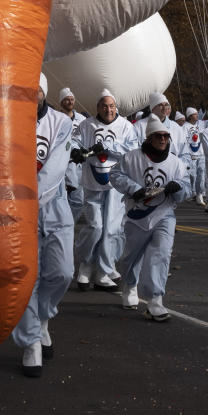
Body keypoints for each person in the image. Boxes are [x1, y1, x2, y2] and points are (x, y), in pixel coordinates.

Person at [12, 73, 75, 377]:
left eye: (36, 90)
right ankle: (31, 342)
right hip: (17, 213)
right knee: (27, 277)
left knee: (63, 272)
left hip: (54, 208)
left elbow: (54, 169)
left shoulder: (62, 123)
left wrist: (30, 200)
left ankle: (43, 318)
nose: (32, 94)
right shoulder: (8, 121)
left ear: (44, 93)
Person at [111, 113, 189, 320]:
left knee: (160, 253)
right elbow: (115, 175)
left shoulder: (176, 163)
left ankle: (155, 300)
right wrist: (134, 189)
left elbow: (187, 188)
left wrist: (178, 188)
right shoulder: (131, 157)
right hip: (137, 215)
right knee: (132, 256)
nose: (162, 139)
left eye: (165, 136)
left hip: (164, 214)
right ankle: (129, 285)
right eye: (158, 136)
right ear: (149, 138)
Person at [72, 89, 137, 289]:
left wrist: (110, 146)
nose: (108, 110)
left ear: (115, 107)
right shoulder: (86, 124)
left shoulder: (125, 126)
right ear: (97, 107)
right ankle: (85, 264)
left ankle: (104, 269)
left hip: (116, 186)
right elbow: (74, 141)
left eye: (111, 106)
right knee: (95, 226)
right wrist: (77, 150)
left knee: (111, 229)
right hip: (92, 184)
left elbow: (133, 150)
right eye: (104, 106)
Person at [58, 86, 87, 223]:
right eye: (67, 100)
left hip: (79, 164)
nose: (70, 102)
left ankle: (68, 224)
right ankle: (62, 224)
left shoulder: (81, 119)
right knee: (62, 199)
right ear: (61, 102)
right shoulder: (57, 119)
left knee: (78, 200)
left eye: (72, 99)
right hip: (62, 163)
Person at [183, 108, 205, 204]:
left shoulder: (200, 124)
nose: (197, 116)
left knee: (201, 173)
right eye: (195, 114)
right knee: (192, 175)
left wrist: (203, 110)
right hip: (191, 154)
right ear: (190, 116)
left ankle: (199, 194)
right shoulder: (185, 126)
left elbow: (203, 116)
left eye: (197, 114)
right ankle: (191, 192)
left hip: (201, 153)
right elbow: (184, 141)